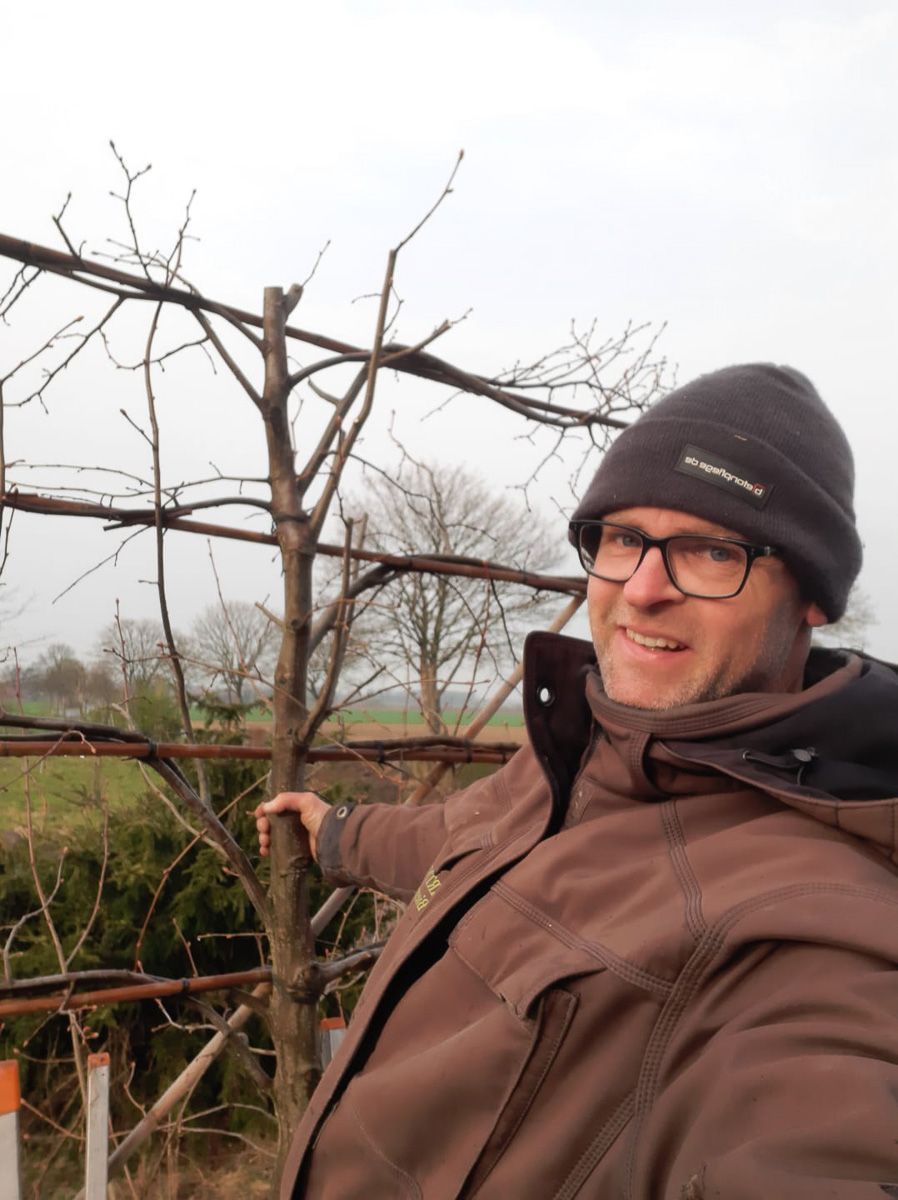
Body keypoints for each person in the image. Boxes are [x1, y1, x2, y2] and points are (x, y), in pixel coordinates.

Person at [256, 364, 898, 1199]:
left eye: (711, 550)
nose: (641, 590)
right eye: (623, 538)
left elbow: (815, 1120)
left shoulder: (818, 921)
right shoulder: (585, 750)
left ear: (812, 596)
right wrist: (332, 828)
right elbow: (467, 837)